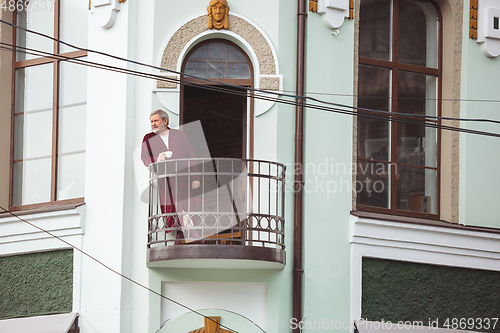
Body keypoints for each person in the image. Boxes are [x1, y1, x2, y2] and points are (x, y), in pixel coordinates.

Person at [141, 109, 202, 244]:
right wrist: (157, 159)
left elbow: (191, 156)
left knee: (187, 205)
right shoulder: (148, 138)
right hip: (166, 179)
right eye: (151, 122)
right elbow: (144, 158)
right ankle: (193, 235)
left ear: (165, 121)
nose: (153, 124)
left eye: (156, 121)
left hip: (184, 176)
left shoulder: (179, 135)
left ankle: (180, 239)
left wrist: (195, 177)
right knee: (175, 206)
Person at [366, 137, 412, 209]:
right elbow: (366, 172)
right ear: (386, 146)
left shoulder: (403, 160)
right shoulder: (375, 157)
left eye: (396, 149)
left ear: (399, 148)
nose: (393, 152)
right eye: (391, 149)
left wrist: (399, 177)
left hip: (395, 198)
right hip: (377, 196)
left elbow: (409, 180)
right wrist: (378, 174)